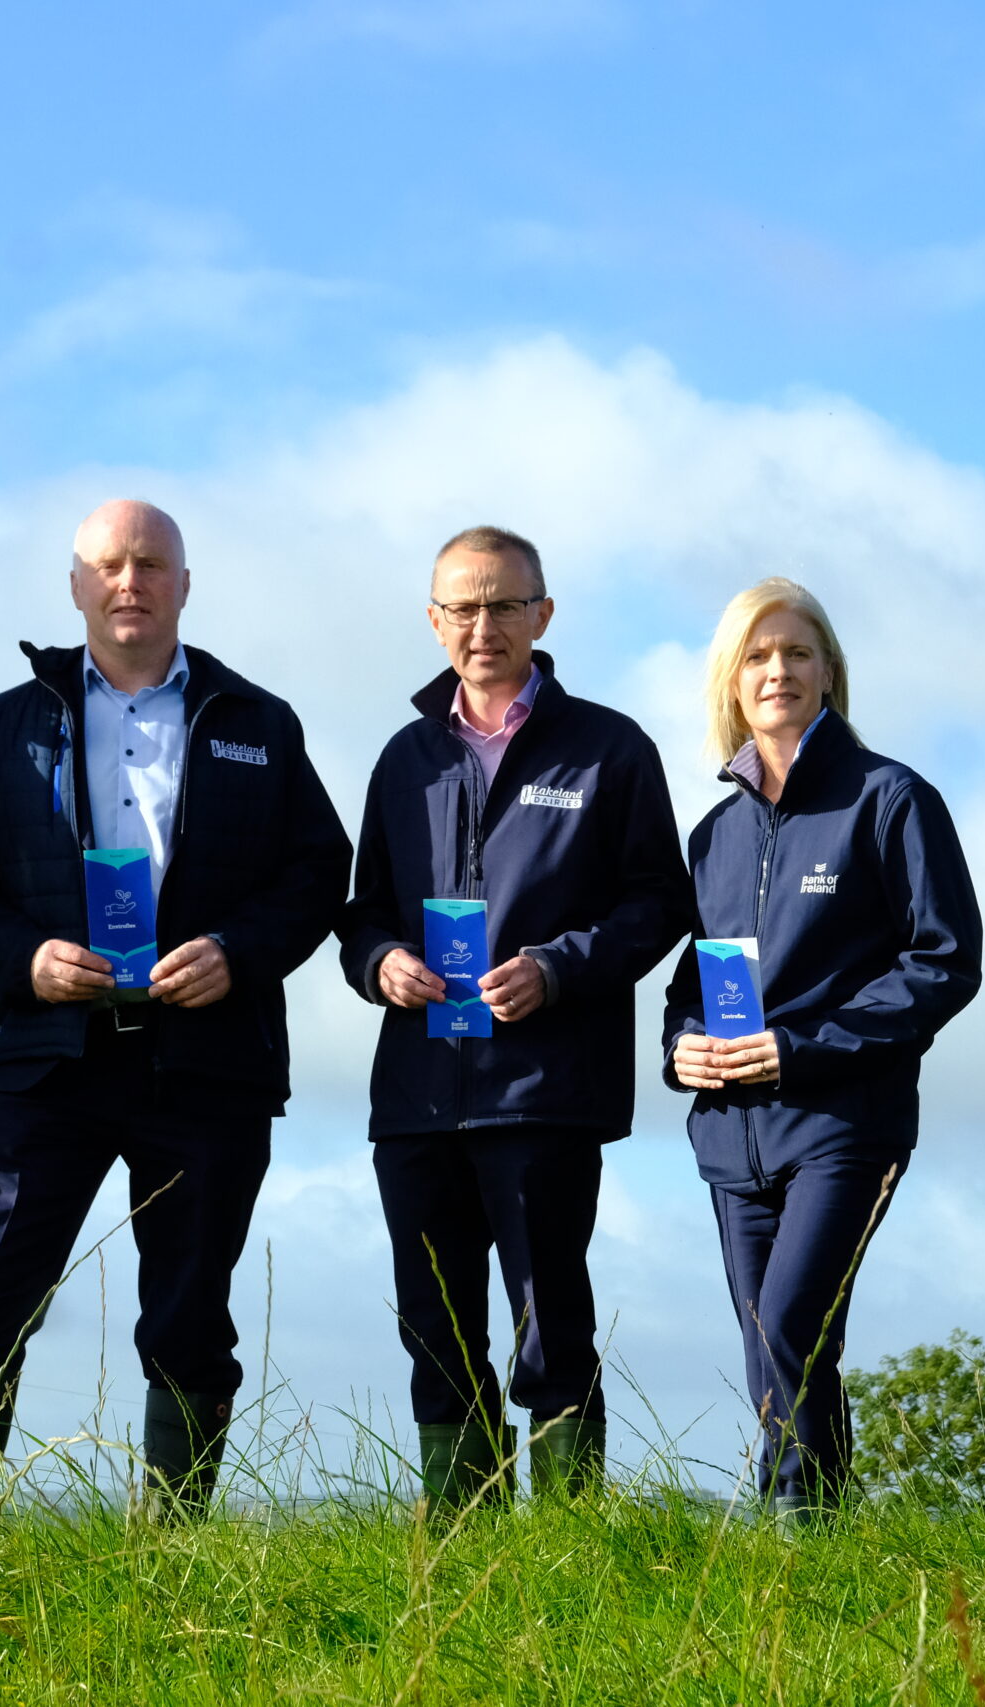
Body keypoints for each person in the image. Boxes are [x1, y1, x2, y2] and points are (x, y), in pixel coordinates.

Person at [0, 500, 350, 1519]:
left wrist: (236, 955)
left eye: (151, 565)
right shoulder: (9, 720)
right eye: (108, 565)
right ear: (75, 585)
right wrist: (26, 961)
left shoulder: (257, 720)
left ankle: (169, 1556)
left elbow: (317, 870)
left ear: (184, 587)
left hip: (206, 1059)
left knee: (191, 1310)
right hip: (47, 1058)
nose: (130, 583)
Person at [338, 525, 691, 1513]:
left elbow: (659, 904)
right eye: (461, 606)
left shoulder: (610, 750)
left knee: (550, 1331)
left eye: (502, 604)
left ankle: (570, 1548)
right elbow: (360, 915)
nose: (481, 626)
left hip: (544, 1091)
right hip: (415, 1098)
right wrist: (383, 964)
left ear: (543, 614)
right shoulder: (404, 757)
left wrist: (557, 968)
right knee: (435, 1334)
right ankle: (461, 1547)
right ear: (432, 619)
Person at [663, 578, 981, 1522]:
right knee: (778, 1346)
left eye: (797, 653)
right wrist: (682, 1047)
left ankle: (793, 1525)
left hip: (846, 1120)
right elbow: (695, 981)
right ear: (731, 681)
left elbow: (946, 961)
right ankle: (817, 1533)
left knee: (792, 1319)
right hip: (731, 1135)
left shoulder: (890, 800)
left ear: (831, 673)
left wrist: (796, 1048)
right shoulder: (714, 832)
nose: (778, 671)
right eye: (757, 656)